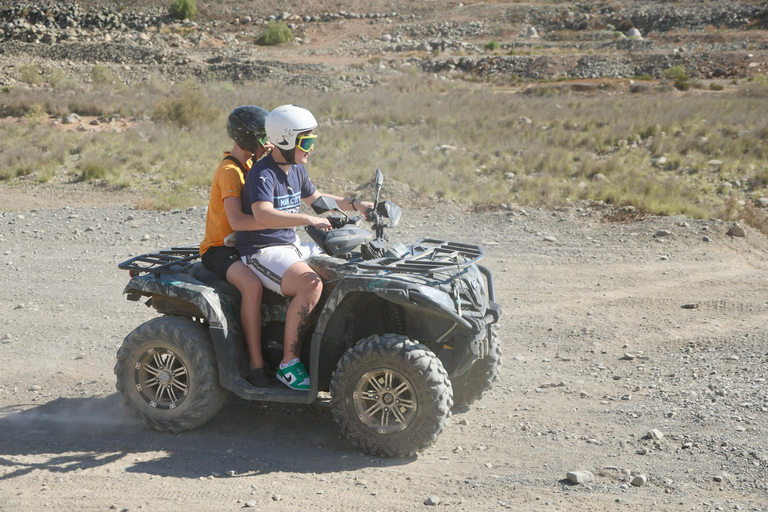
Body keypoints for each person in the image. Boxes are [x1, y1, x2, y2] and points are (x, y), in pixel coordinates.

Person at [238, 104, 373, 391]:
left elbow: (319, 198)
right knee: (310, 284)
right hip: (262, 251)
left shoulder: (296, 169)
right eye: (307, 141)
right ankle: (289, 363)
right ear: (286, 140)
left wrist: (357, 205)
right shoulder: (263, 174)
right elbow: (262, 214)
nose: (311, 148)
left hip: (291, 245)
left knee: (348, 269)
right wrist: (306, 218)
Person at [200, 105, 272, 388]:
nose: (267, 143)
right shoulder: (230, 171)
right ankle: (256, 365)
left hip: (243, 244)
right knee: (252, 286)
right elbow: (237, 220)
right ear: (249, 138)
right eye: (263, 137)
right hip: (219, 249)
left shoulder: (251, 165)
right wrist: (273, 223)